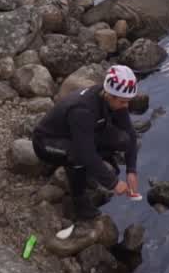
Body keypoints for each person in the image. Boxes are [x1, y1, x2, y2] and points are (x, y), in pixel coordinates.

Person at [32, 65, 141, 220]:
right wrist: (114, 183)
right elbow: (86, 154)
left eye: (128, 101)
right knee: (79, 156)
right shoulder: (83, 110)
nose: (126, 106)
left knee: (123, 139)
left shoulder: (111, 98)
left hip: (77, 134)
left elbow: (130, 133)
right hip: (47, 142)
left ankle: (91, 169)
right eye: (123, 102)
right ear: (110, 95)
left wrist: (131, 170)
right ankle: (79, 202)